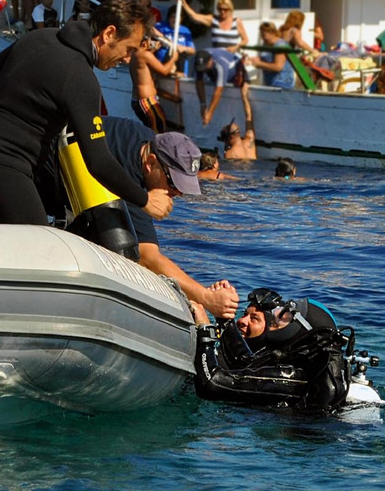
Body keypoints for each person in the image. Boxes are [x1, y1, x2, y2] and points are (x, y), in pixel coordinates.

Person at [0, 0, 173, 225]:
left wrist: (33, 103)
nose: (127, 59)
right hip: (5, 168)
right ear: (109, 33)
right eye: (129, 49)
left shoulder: (39, 37)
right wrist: (145, 199)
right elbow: (99, 162)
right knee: (38, 246)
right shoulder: (81, 78)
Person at [37, 116, 239, 320]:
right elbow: (146, 257)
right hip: (33, 176)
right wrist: (206, 298)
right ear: (151, 163)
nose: (177, 193)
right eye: (173, 183)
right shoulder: (128, 171)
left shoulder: (150, 144)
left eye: (183, 187)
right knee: (121, 247)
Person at [190, 287, 353, 411]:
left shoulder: (293, 377)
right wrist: (224, 319)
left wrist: (205, 328)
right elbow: (247, 365)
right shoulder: (295, 364)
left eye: (287, 316)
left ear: (303, 331)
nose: (276, 319)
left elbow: (211, 384)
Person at [130, 34, 179, 133]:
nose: (152, 43)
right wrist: (174, 58)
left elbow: (145, 67)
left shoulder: (135, 55)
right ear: (144, 43)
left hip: (139, 101)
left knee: (151, 131)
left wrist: (152, 51)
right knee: (158, 132)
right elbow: (164, 71)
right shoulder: (145, 55)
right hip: (146, 102)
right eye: (150, 41)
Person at [194, 48, 253, 128]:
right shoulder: (199, 58)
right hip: (216, 71)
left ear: (210, 61)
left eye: (204, 67)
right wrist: (203, 104)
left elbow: (218, 92)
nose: (203, 70)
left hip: (235, 72)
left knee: (242, 89)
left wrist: (210, 114)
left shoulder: (220, 64)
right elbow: (199, 82)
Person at [181, 0, 248, 53]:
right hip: (217, 57)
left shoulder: (236, 21)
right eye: (220, 9)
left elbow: (245, 40)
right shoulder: (213, 19)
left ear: (230, 9)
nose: (222, 12)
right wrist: (184, 5)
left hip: (233, 58)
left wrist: (236, 47)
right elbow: (195, 16)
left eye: (225, 9)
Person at [248, 21, 295, 89]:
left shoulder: (280, 45)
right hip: (270, 83)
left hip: (282, 83)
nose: (262, 38)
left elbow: (278, 67)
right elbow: (265, 61)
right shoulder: (265, 44)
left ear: (272, 33)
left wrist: (260, 64)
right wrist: (253, 60)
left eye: (264, 35)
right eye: (261, 35)